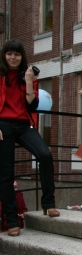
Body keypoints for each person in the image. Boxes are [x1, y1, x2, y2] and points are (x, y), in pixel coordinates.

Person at [0, 40, 60, 237]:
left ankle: (48, 203)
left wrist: (28, 81)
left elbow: (32, 106)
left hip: (24, 125)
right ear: (4, 55)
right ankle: (11, 221)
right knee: (6, 172)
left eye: (16, 54)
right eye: (9, 54)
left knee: (45, 154)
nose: (13, 58)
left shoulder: (28, 76)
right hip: (3, 125)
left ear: (21, 57)